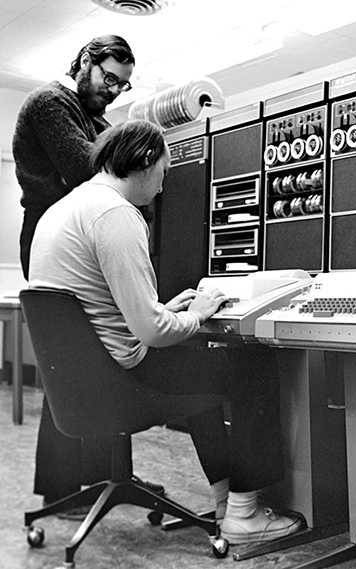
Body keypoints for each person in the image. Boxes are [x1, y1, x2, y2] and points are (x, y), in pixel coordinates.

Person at [27, 118, 303, 544]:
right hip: (124, 378)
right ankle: (245, 516)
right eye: (163, 172)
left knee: (198, 369)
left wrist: (165, 310)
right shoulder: (116, 215)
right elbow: (153, 333)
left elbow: (100, 307)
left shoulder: (62, 210)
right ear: (143, 161)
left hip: (84, 383)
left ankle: (225, 501)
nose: (161, 186)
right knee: (253, 361)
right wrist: (197, 314)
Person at [12, 35, 163, 517]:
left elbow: (120, 178)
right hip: (58, 241)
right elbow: (89, 170)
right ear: (84, 62)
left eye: (122, 84)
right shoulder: (51, 103)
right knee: (72, 364)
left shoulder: (91, 115)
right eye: (108, 77)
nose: (113, 90)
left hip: (83, 237)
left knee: (99, 356)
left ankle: (103, 479)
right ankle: (63, 491)